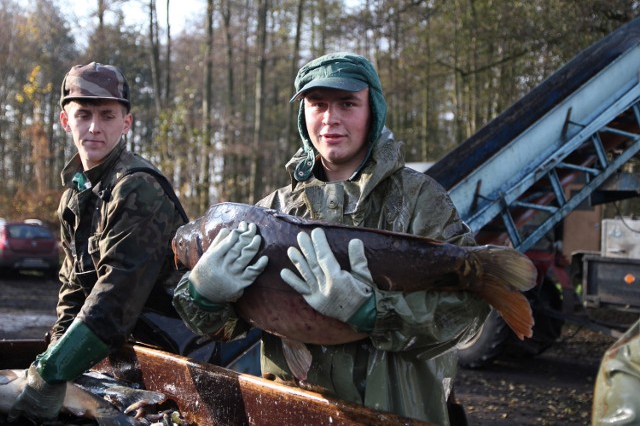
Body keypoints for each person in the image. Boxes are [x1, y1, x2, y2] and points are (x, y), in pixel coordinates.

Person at [173, 52, 491, 424]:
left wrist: (375, 312)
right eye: (317, 104)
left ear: (372, 109)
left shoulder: (420, 199)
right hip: (292, 413)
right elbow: (225, 328)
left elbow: (469, 315)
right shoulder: (270, 210)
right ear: (302, 113)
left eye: (347, 103)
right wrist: (204, 295)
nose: (330, 118)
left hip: (399, 412)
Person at [9, 62, 189, 423]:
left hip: (179, 357)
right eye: (83, 114)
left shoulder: (136, 186)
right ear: (64, 121)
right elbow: (73, 289)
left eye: (107, 115)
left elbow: (114, 299)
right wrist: (56, 357)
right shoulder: (76, 194)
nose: (94, 127)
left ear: (126, 123)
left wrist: (51, 371)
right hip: (122, 355)